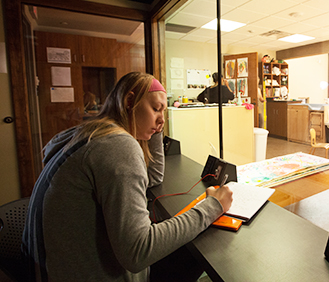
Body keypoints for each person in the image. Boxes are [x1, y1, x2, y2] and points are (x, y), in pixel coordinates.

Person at [22, 72, 233, 282]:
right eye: (156, 108)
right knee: (196, 244)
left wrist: (155, 125)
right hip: (87, 273)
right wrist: (212, 206)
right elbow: (138, 252)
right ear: (129, 101)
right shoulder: (117, 145)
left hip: (49, 270)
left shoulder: (90, 133)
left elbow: (152, 176)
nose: (162, 119)